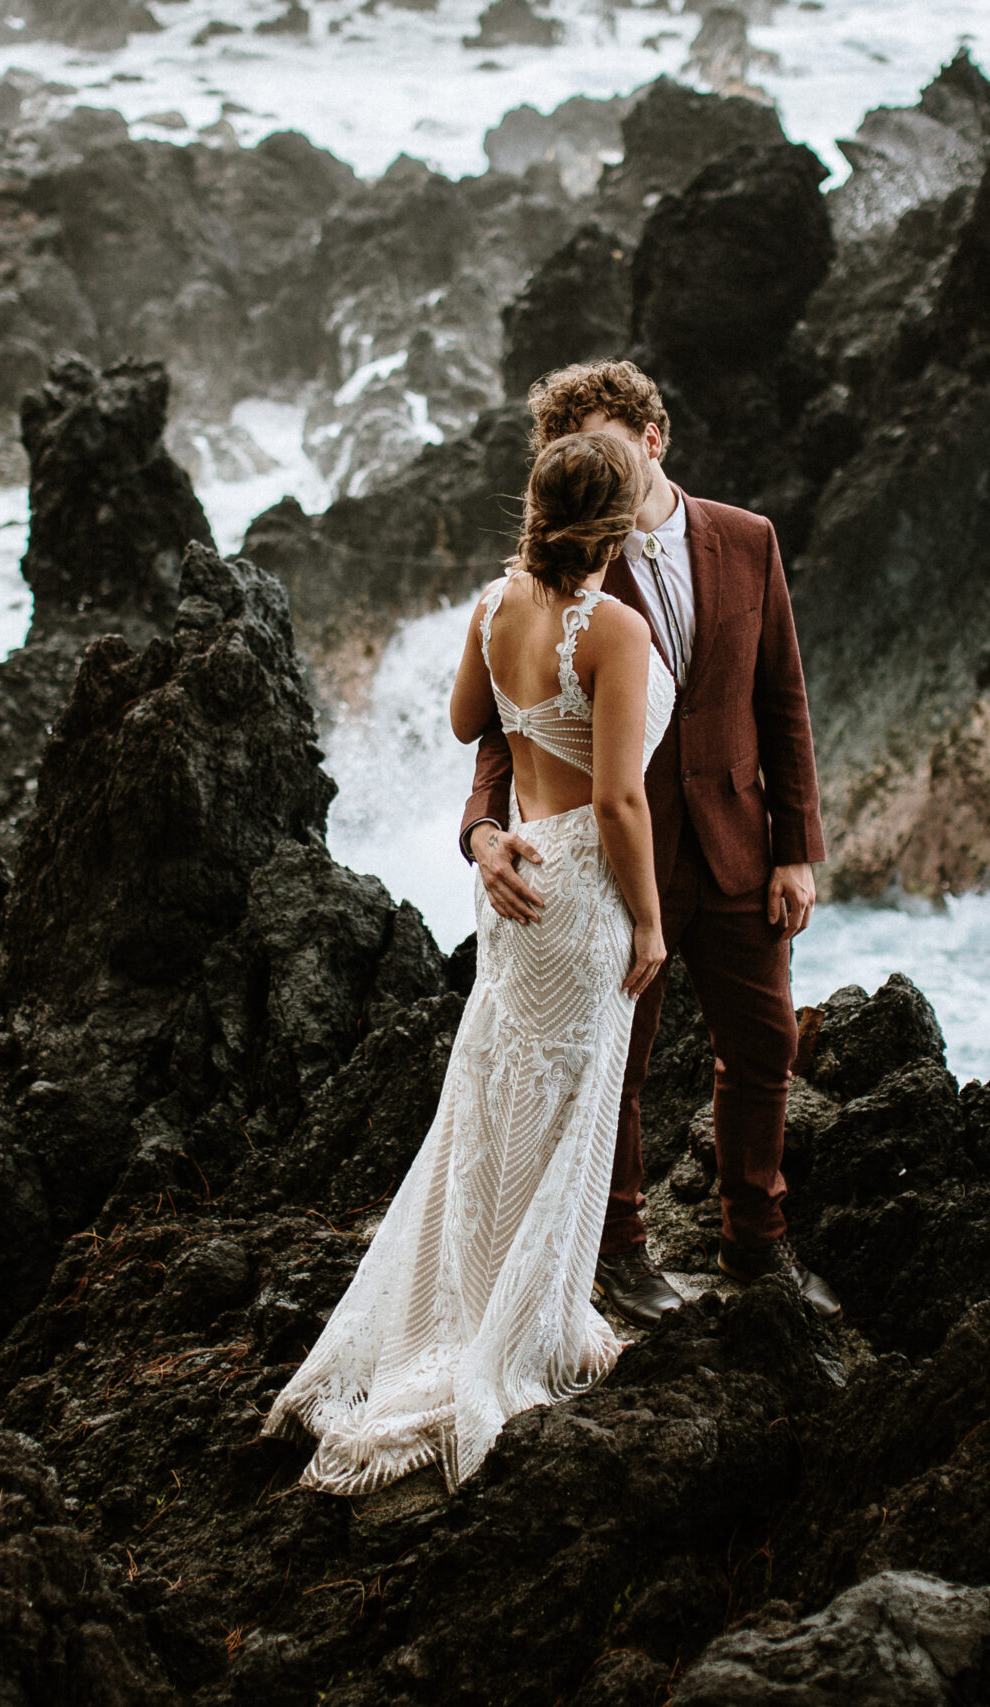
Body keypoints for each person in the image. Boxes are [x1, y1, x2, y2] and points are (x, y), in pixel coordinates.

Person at [264, 429, 674, 1495]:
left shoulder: (495, 609)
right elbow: (624, 799)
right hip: (579, 883)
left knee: (496, 1090)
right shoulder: (616, 632)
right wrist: (650, 920)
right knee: (564, 1098)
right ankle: (520, 1323)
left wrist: (498, 800)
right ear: (616, 526)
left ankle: (496, 1302)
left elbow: (463, 723)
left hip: (514, 873)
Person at [461, 361, 843, 1330]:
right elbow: (512, 724)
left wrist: (797, 847)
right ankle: (621, 1250)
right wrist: (482, 830)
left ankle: (756, 1237)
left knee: (765, 1044)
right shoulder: (565, 573)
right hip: (607, 862)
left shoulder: (748, 540)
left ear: (653, 437)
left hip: (738, 845)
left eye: (602, 446)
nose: (589, 473)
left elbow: (782, 700)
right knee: (613, 1065)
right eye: (569, 457)